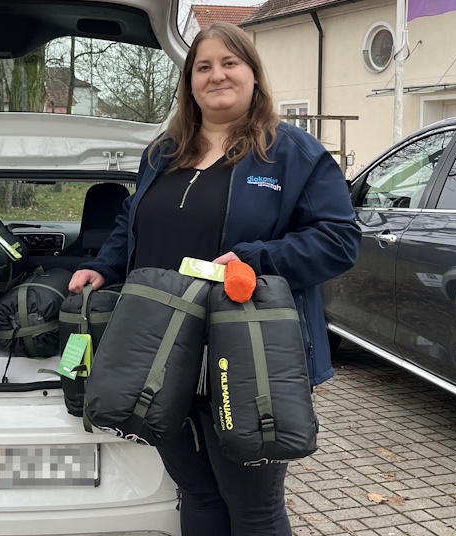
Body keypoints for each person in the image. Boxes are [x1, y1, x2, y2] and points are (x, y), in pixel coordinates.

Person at [68, 22, 361, 536]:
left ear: (253, 74)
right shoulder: (162, 152)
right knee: (198, 493)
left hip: (246, 355)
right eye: (203, 66)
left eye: (230, 63)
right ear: (189, 82)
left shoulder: (291, 152)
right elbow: (130, 223)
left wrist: (255, 259)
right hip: (160, 351)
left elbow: (339, 241)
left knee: (254, 509)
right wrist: (105, 266)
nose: (217, 75)